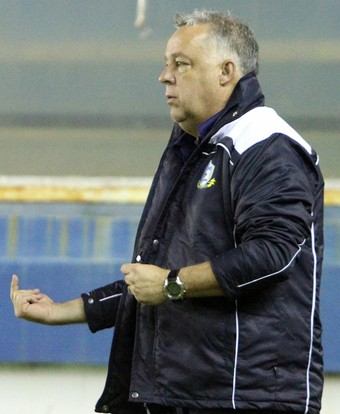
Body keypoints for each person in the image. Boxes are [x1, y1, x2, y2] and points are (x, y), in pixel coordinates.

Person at [10, 9, 324, 414]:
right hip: (177, 393)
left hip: (245, 397)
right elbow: (155, 281)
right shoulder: (192, 147)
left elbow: (272, 255)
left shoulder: (267, 145)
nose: (165, 76)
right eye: (165, 63)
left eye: (181, 64)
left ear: (226, 72)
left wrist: (173, 283)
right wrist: (62, 311)